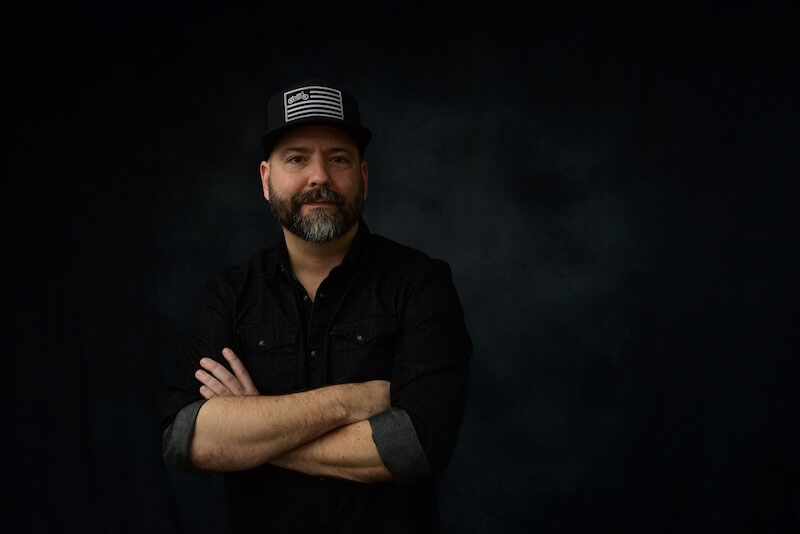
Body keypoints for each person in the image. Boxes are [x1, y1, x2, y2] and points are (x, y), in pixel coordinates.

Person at [159, 79, 473, 533]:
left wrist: (254, 430)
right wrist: (350, 402)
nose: (320, 176)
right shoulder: (227, 296)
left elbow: (416, 446)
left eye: (338, 158)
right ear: (267, 181)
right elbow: (185, 440)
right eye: (297, 158)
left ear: (362, 178)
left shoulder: (421, 284)